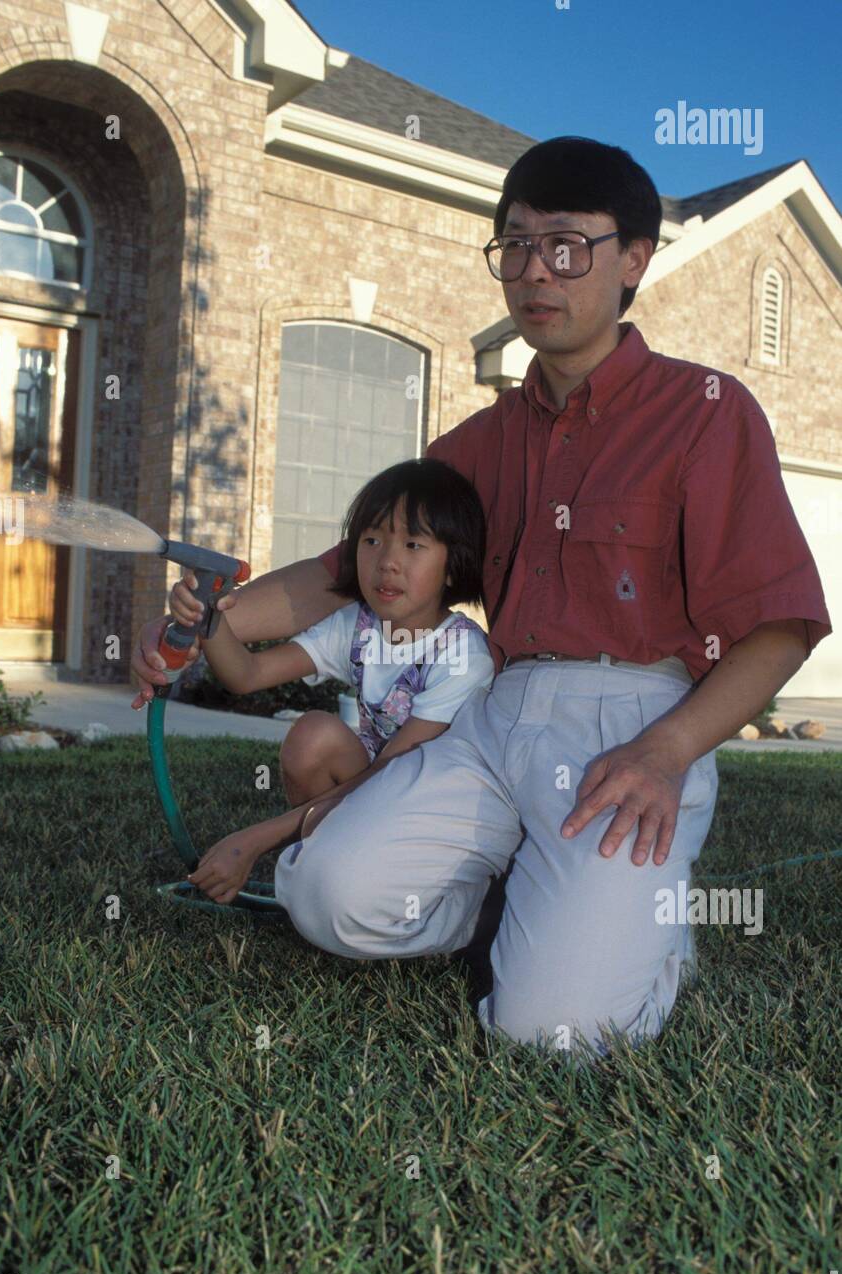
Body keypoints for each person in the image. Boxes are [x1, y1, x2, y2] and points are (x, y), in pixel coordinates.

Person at [132, 136, 831, 1061]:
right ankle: (530, 903)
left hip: (636, 717)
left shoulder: (704, 411)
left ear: (633, 260)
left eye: (567, 246)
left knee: (552, 1032)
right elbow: (345, 569)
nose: (536, 271)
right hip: (495, 714)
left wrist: (665, 753)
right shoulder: (479, 440)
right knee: (325, 893)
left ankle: (638, 938)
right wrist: (209, 620)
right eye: (516, 247)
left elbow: (779, 626)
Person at [142, 460, 495, 906]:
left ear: (452, 566)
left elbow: (395, 774)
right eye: (371, 540)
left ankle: (380, 886)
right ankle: (315, 867)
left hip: (438, 811)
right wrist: (209, 617)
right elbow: (246, 675)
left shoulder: (462, 655)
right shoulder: (358, 626)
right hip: (379, 789)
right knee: (314, 735)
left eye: (412, 544)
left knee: (348, 812)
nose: (387, 561)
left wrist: (255, 839)